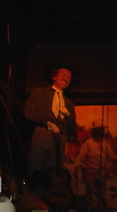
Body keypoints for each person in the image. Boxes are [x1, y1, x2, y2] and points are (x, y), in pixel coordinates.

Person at [25, 66, 77, 194]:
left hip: (60, 140)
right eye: (63, 74)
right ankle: (31, 195)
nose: (66, 78)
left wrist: (68, 115)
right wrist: (47, 123)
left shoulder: (69, 103)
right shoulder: (40, 92)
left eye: (69, 77)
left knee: (54, 173)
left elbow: (72, 128)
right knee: (35, 168)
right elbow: (28, 112)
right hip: (43, 134)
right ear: (54, 76)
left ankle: (48, 199)